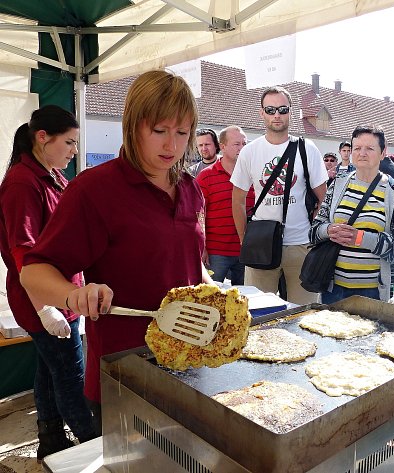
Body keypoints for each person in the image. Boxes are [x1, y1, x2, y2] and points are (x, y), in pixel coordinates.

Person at [20, 70, 212, 433]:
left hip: (190, 359)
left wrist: (213, 293)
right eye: (159, 131)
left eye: (182, 132)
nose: (171, 145)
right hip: (126, 369)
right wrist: (74, 295)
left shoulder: (190, 188)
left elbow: (190, 264)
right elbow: (33, 270)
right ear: (133, 126)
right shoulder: (94, 190)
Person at [0, 105, 96, 459]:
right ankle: (94, 447)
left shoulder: (51, 175)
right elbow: (22, 252)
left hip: (63, 293)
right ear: (42, 138)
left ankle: (51, 441)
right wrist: (46, 307)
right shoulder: (22, 184)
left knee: (47, 369)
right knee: (71, 377)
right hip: (45, 299)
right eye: (69, 142)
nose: (73, 150)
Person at [231, 86, 328, 304]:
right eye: (271, 109)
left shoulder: (307, 148)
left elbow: (324, 198)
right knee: (256, 312)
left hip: (301, 243)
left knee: (305, 313)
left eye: (283, 109)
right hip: (261, 243)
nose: (277, 115)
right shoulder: (250, 151)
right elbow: (237, 200)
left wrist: (315, 230)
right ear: (262, 113)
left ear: (291, 112)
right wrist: (244, 239)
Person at [310, 125, 394, 303]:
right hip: (333, 289)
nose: (362, 153)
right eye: (357, 148)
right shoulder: (337, 186)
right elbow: (313, 231)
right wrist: (328, 230)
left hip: (373, 292)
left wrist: (361, 238)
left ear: (383, 153)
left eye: (370, 148)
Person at [196, 125, 253, 285]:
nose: (242, 148)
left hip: (246, 252)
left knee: (245, 300)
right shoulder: (206, 176)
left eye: (244, 144)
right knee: (212, 298)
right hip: (216, 253)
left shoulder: (253, 176)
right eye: (237, 144)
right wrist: (202, 247)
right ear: (222, 146)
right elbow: (197, 214)